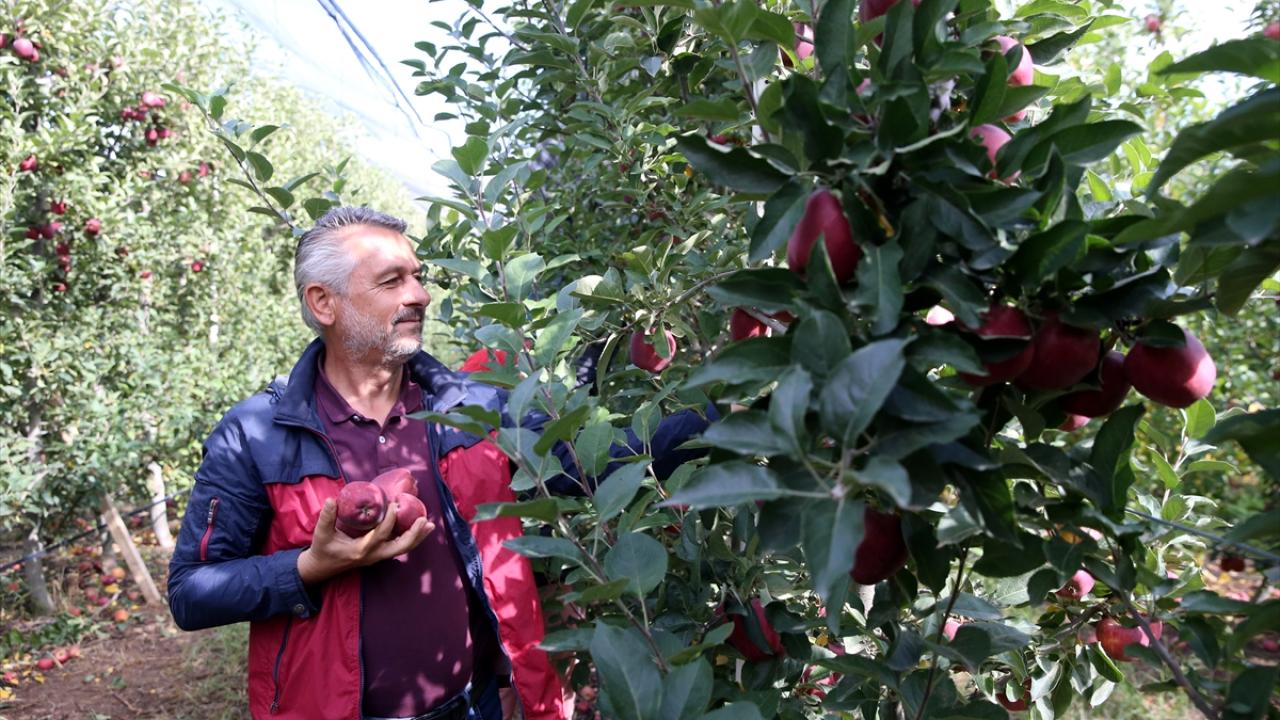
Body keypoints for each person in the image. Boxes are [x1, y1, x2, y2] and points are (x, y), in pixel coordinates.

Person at [167, 206, 715, 720]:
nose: (420, 295)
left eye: (418, 276)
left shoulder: (470, 409)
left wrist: (725, 412)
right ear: (323, 303)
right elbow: (191, 593)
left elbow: (593, 465)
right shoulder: (258, 435)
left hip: (472, 703)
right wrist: (310, 566)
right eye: (392, 281)